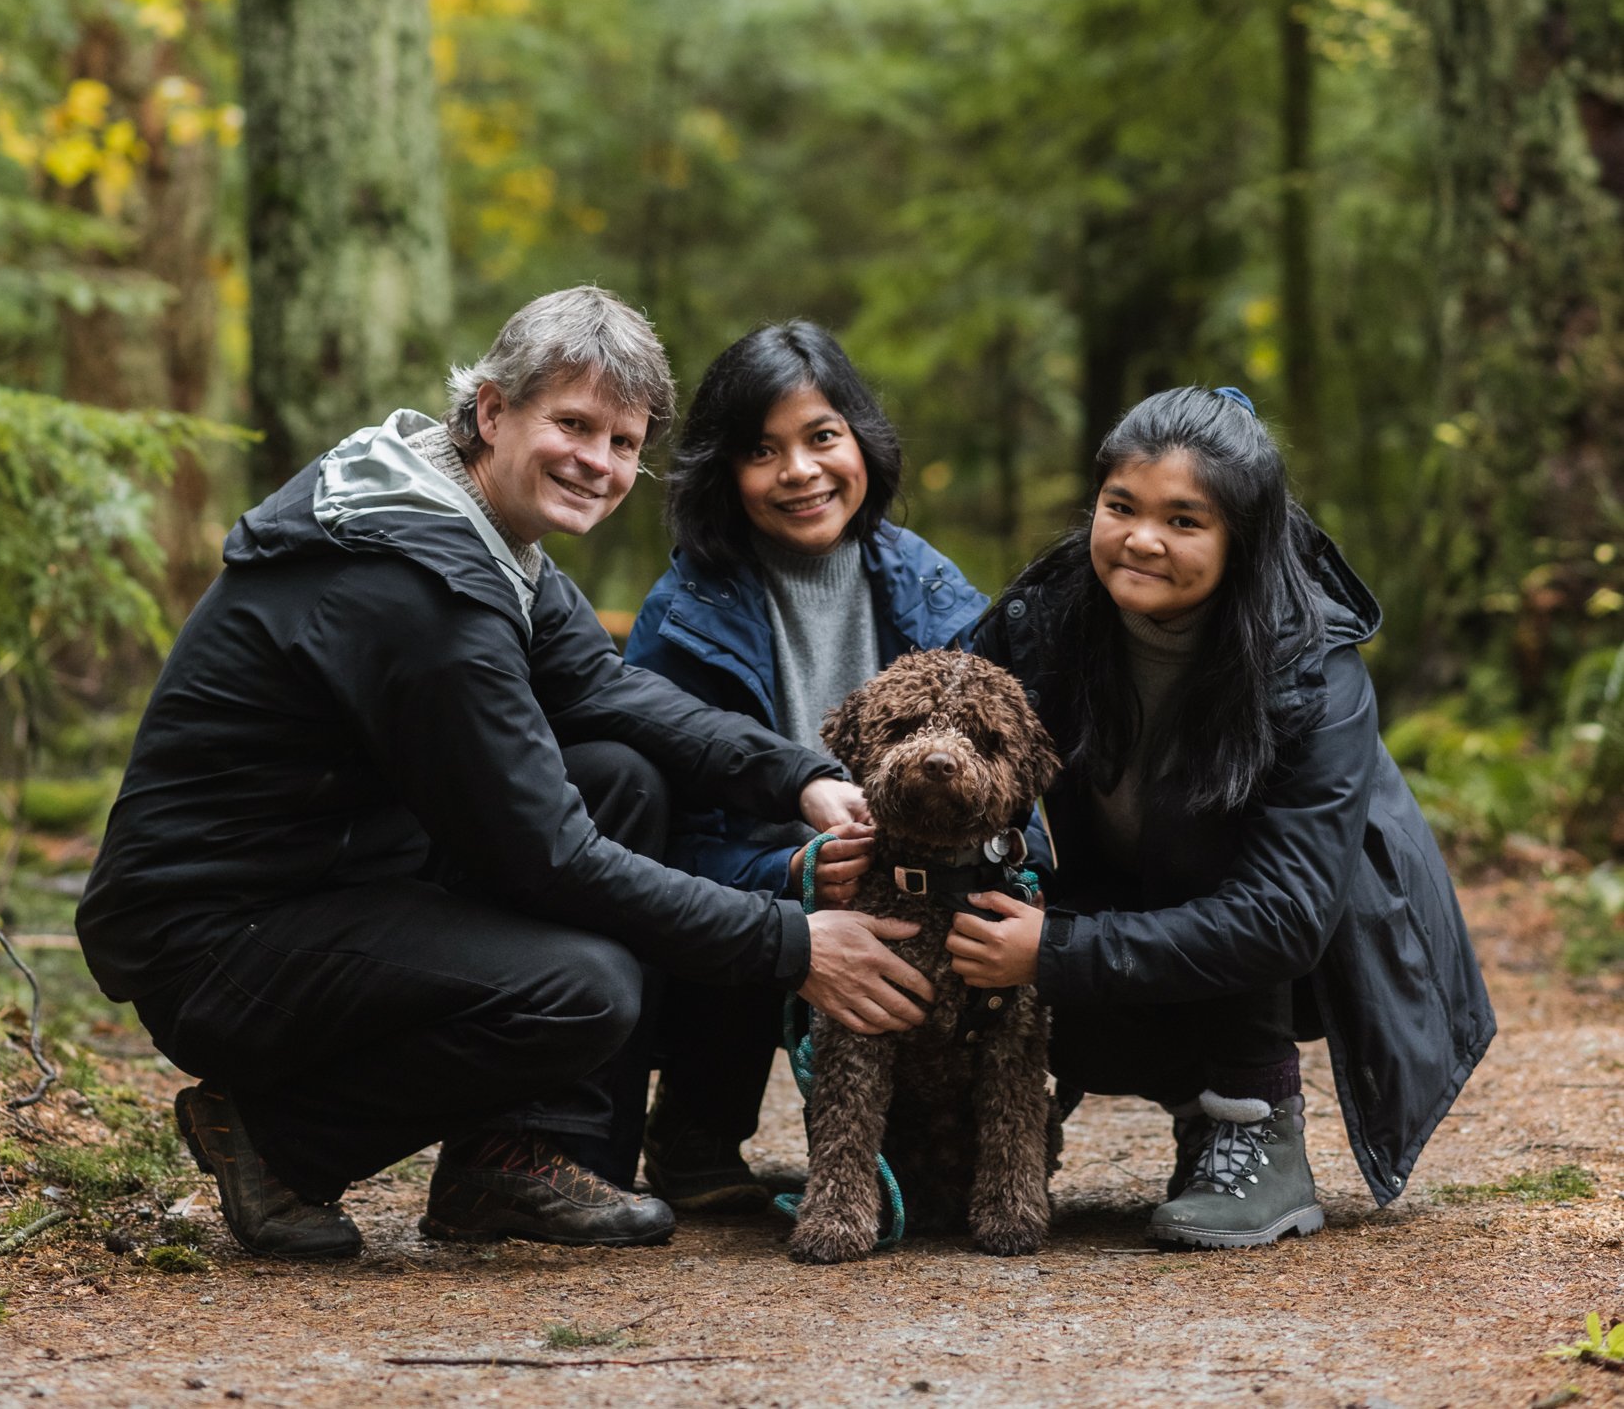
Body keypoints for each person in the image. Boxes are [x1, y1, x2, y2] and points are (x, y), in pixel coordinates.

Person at [77, 289, 933, 1262]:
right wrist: (792, 940)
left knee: (619, 775)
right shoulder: (424, 596)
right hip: (213, 939)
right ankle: (277, 1141)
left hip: (325, 878)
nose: (596, 461)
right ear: (490, 411)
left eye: (621, 440)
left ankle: (506, 1158)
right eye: (571, 424)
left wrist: (799, 776)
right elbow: (549, 858)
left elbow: (607, 689)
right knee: (583, 989)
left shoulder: (472, 530)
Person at [948, 383, 1494, 1250]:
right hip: (1118, 909)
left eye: (1183, 521)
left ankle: (1251, 1119)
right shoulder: (1041, 622)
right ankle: (991, 1118)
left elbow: (1283, 918)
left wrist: (1051, 952)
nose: (1140, 540)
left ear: (1242, 538)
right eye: (1119, 506)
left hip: (1306, 952)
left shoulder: (1313, 669)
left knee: (1223, 829)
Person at [625, 320, 988, 1212]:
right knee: (740, 904)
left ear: (861, 439)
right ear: (723, 471)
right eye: (762, 450)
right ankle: (699, 1124)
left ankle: (934, 1126)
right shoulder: (683, 618)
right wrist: (793, 874)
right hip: (766, 895)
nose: (800, 471)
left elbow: (1005, 768)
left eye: (822, 436)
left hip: (919, 886)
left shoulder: (936, 594)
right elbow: (658, 838)